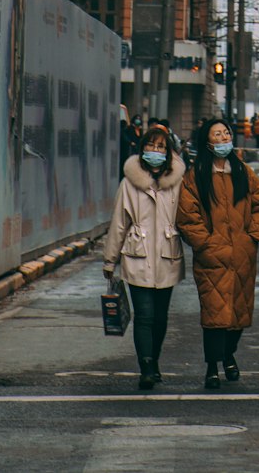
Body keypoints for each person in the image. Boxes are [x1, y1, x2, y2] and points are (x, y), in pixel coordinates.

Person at [176, 116, 259, 390]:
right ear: (207, 140)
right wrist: (205, 244)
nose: (223, 138)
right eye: (216, 134)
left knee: (239, 314)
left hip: (242, 255)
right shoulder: (196, 176)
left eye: (226, 134)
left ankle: (229, 355)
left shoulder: (243, 172)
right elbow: (187, 215)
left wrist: (253, 236)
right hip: (211, 257)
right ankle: (212, 367)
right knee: (214, 315)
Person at [102, 122, 186, 390]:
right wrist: (109, 259)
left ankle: (155, 361)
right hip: (136, 255)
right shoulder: (129, 183)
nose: (155, 150)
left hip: (167, 255)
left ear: (169, 151)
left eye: (161, 146)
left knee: (161, 317)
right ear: (142, 148)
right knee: (145, 315)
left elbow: (189, 217)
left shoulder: (178, 183)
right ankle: (146, 367)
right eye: (151, 145)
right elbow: (118, 222)